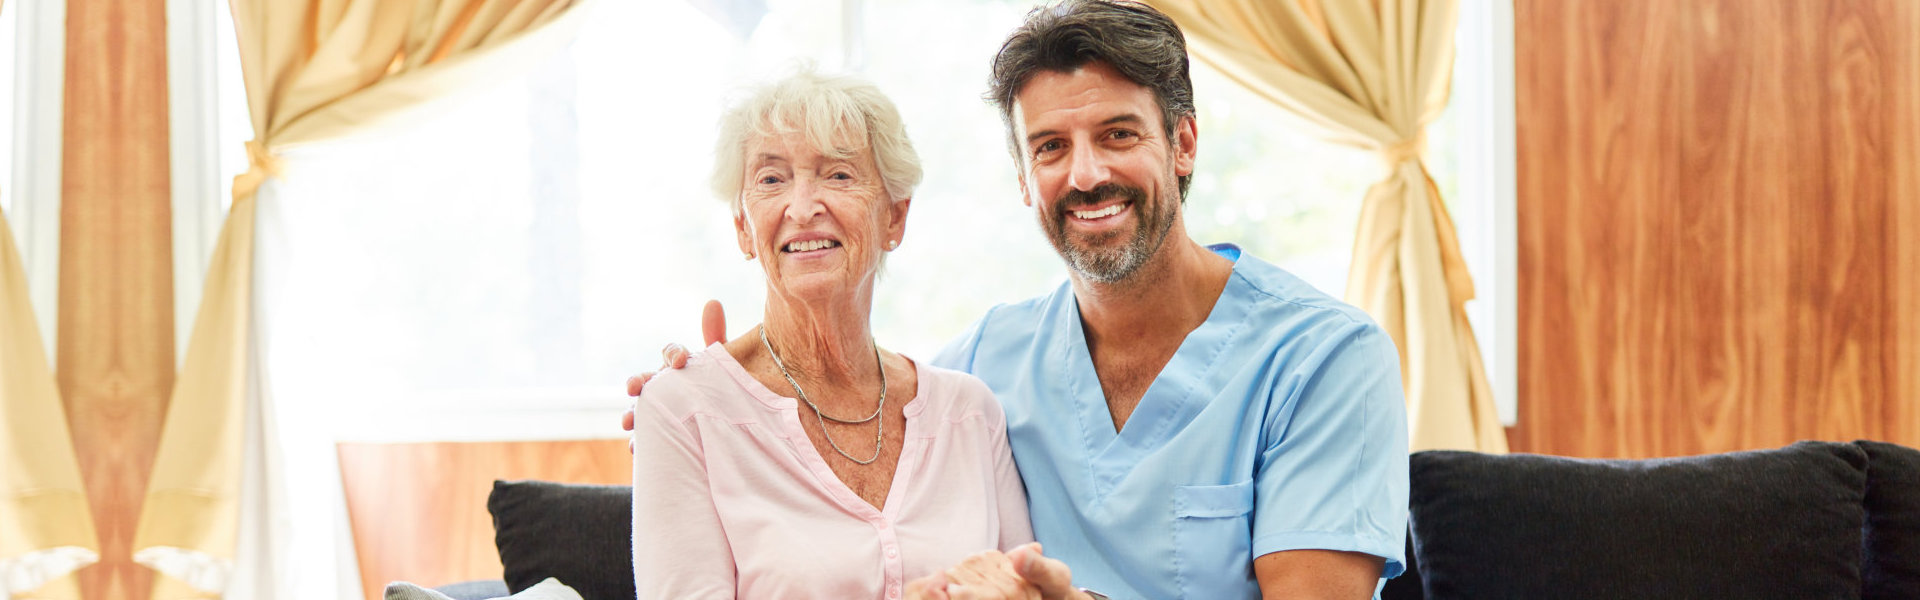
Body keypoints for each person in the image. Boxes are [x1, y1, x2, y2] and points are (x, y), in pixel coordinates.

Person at [629, 2, 1410, 598]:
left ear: (1183, 145)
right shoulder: (981, 373)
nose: (1084, 175)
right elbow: (833, 416)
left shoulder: (1325, 361)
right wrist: (700, 397)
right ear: (1022, 178)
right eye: (1050, 148)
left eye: (1118, 135)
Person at [628, 67, 1054, 599]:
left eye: (839, 175)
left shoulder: (969, 412)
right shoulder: (682, 410)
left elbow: (1026, 589)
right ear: (743, 227)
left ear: (894, 219)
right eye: (771, 179)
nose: (803, 207)